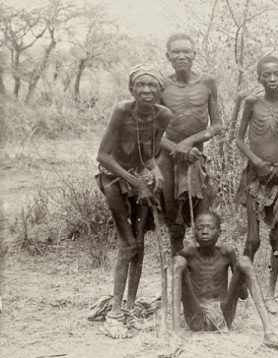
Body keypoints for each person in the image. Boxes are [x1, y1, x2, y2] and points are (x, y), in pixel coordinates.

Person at [96, 64, 172, 338]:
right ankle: (115, 313)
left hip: (139, 180)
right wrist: (138, 181)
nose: (147, 90)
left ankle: (129, 309)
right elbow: (103, 156)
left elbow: (150, 153)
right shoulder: (122, 111)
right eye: (141, 85)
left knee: (139, 245)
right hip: (114, 179)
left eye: (152, 85)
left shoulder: (164, 115)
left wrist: (155, 170)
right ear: (131, 89)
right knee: (127, 244)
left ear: (160, 91)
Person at [172, 212, 278, 353]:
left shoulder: (227, 253)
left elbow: (243, 295)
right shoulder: (187, 254)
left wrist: (240, 277)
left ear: (219, 232)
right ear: (194, 232)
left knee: (245, 261)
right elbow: (179, 289)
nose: (204, 232)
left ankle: (270, 333)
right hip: (195, 316)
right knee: (178, 261)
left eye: (209, 228)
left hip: (224, 314)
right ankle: (175, 333)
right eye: (200, 228)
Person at [234, 56, 278, 313]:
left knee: (277, 235)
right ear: (259, 78)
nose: (272, 79)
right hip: (255, 175)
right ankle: (242, 284)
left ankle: (270, 293)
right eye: (267, 75)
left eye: (277, 74)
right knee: (253, 238)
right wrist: (257, 162)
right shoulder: (252, 102)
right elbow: (239, 140)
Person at [159, 32, 223, 255]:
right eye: (176, 52)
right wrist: (177, 148)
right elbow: (153, 132)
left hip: (198, 157)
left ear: (195, 54)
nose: (181, 56)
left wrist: (190, 142)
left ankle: (203, 273)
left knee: (203, 219)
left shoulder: (207, 82)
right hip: (168, 157)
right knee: (174, 224)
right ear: (168, 56)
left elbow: (217, 125)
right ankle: (179, 274)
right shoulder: (161, 84)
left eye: (186, 51)